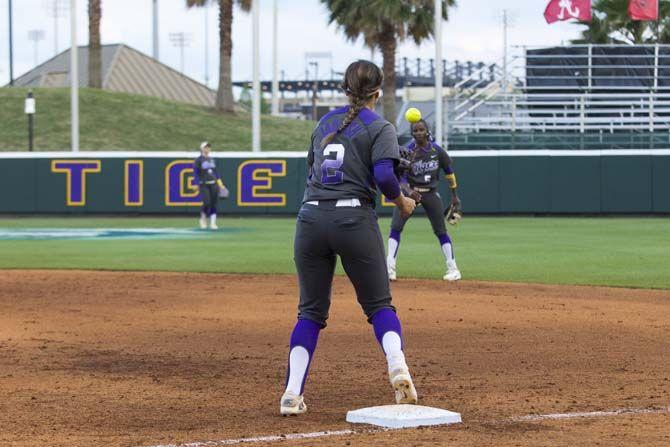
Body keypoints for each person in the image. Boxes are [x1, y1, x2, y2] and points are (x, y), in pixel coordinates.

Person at [280, 60, 419, 416]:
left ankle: (292, 393)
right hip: (353, 218)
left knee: (310, 312)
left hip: (310, 217)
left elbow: (315, 169)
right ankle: (398, 367)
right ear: (377, 92)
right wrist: (402, 200)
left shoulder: (324, 123)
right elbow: (386, 176)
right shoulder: (380, 126)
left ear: (346, 89)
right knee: (378, 306)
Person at [387, 119, 462, 282]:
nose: (419, 133)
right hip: (410, 195)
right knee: (396, 228)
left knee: (441, 231)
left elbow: (449, 173)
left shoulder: (437, 151)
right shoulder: (407, 151)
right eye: (415, 131)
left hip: (430, 193)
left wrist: (454, 195)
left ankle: (453, 268)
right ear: (412, 133)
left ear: (427, 131)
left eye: (422, 130)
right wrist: (408, 191)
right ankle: (390, 268)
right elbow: (401, 178)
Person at [193, 141, 226, 230]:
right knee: (206, 203)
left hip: (213, 184)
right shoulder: (198, 160)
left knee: (214, 204)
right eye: (205, 147)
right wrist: (196, 184)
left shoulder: (212, 159)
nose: (207, 149)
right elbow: (195, 173)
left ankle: (213, 223)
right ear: (202, 149)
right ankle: (203, 220)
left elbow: (216, 173)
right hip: (203, 184)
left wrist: (221, 184)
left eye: (208, 147)